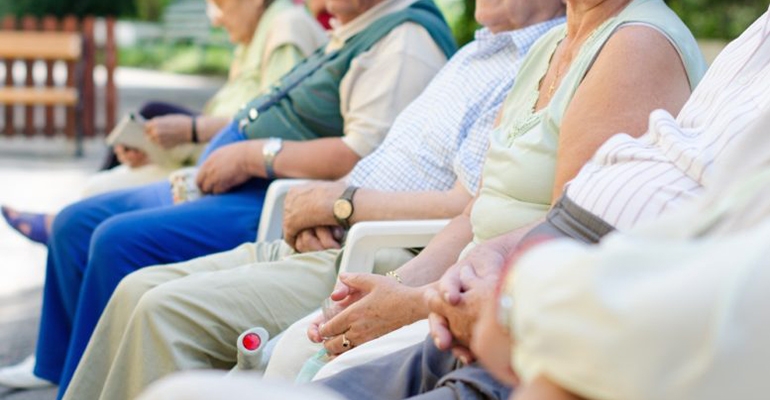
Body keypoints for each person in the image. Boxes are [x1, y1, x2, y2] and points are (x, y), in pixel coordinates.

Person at [61, 0, 569, 398]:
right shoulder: (475, 51)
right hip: (327, 229)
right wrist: (321, 206)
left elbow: (465, 203)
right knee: (135, 288)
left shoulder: (529, 58)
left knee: (154, 303)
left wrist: (339, 203)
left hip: (378, 253)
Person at [313, 5, 770, 399]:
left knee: (309, 364)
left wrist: (447, 300)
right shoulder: (551, 45)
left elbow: (712, 261)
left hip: (553, 291)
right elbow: (481, 204)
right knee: (316, 376)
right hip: (509, 284)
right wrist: (404, 282)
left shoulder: (638, 42)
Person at [0, 0, 457, 394]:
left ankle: (70, 370)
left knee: (116, 241)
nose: (212, 16)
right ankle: (63, 370)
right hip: (264, 189)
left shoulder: (404, 40)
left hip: (278, 199)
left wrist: (258, 156)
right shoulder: (357, 29)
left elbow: (361, 154)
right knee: (86, 225)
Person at [0, 0, 327, 246]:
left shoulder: (285, 27)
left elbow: (276, 125)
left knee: (92, 212)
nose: (214, 16)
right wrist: (163, 151)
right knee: (93, 205)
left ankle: (64, 234)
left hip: (240, 180)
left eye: (220, 2)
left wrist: (191, 131)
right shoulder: (261, 32)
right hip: (215, 164)